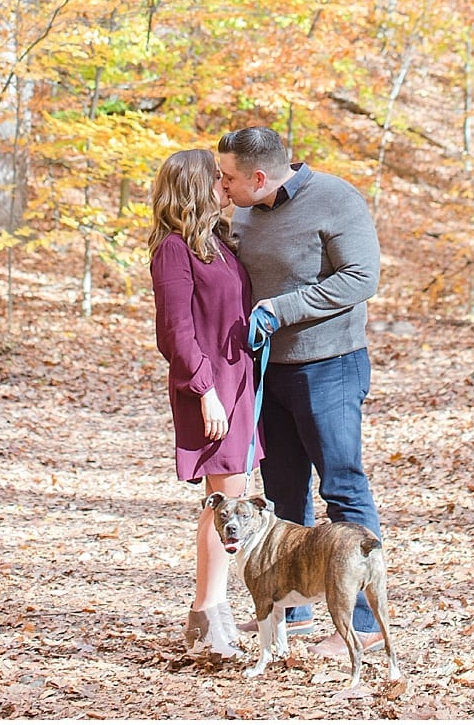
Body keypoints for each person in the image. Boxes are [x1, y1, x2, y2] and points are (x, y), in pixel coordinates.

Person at [217, 125, 386, 659]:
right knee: (283, 492)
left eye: (227, 178)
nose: (221, 187)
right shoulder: (241, 211)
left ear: (259, 177)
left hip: (330, 366)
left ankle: (361, 624)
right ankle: (290, 608)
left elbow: (362, 277)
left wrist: (282, 310)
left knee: (342, 487)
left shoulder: (335, 199)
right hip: (268, 373)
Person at [148, 147, 259, 657]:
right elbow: (175, 332)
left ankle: (206, 619)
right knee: (227, 503)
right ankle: (209, 618)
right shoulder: (174, 248)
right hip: (207, 389)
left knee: (225, 498)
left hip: (237, 384)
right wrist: (205, 392)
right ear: (194, 186)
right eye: (216, 178)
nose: (224, 184)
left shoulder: (217, 242)